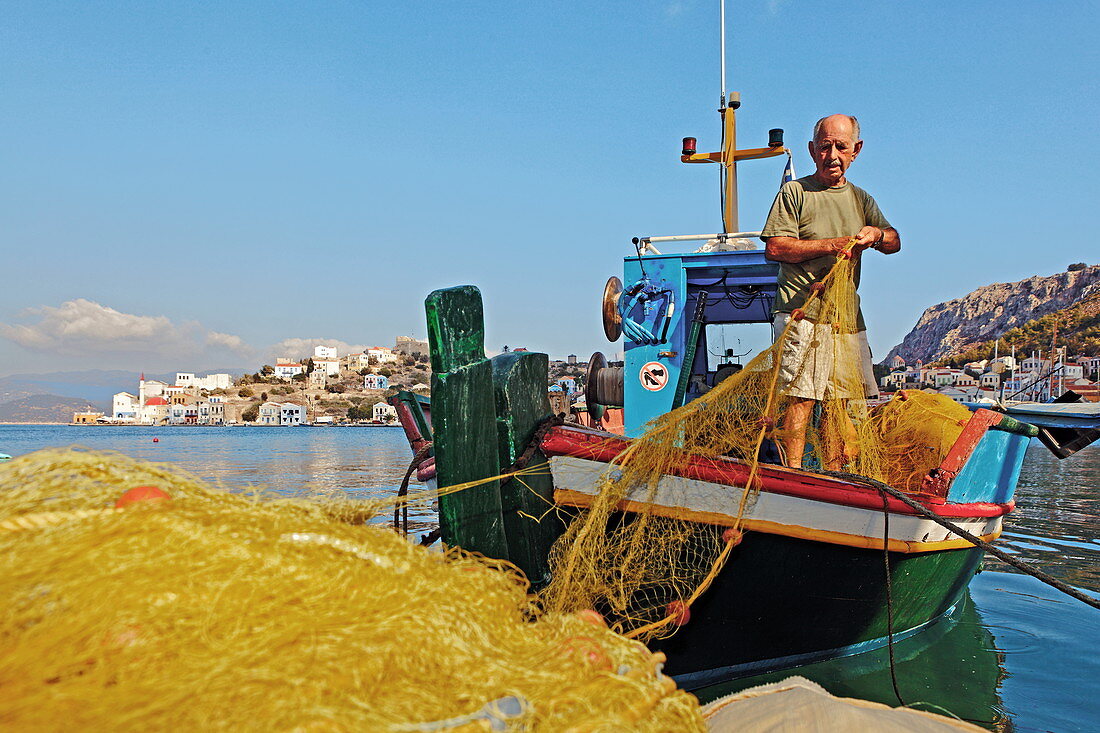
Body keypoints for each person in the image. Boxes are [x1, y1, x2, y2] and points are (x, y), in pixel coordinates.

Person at [760, 114, 901, 469]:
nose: (832, 154)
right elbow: (775, 248)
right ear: (812, 150)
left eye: (841, 146)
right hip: (800, 312)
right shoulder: (795, 192)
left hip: (847, 319)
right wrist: (831, 245)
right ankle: (792, 474)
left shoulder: (861, 199)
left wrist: (876, 234)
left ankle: (834, 475)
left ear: (857, 150)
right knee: (800, 397)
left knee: (841, 401)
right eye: (825, 146)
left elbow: (894, 241)